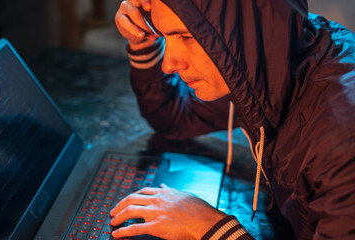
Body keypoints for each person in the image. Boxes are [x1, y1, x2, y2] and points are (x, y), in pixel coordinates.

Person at [110, 0, 355, 239]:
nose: (168, 64)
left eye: (186, 37)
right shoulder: (261, 67)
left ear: (243, 30)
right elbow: (175, 117)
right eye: (165, 35)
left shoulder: (342, 143)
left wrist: (212, 227)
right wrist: (144, 39)